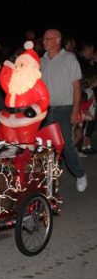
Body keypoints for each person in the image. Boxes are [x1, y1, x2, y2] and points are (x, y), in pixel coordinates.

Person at [41, 29, 87, 192]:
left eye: (48, 39)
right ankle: (49, 180)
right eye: (44, 39)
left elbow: (77, 87)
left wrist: (75, 110)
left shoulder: (69, 59)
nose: (44, 42)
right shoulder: (42, 60)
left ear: (58, 40)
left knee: (66, 145)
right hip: (46, 110)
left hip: (64, 108)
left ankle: (80, 174)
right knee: (46, 147)